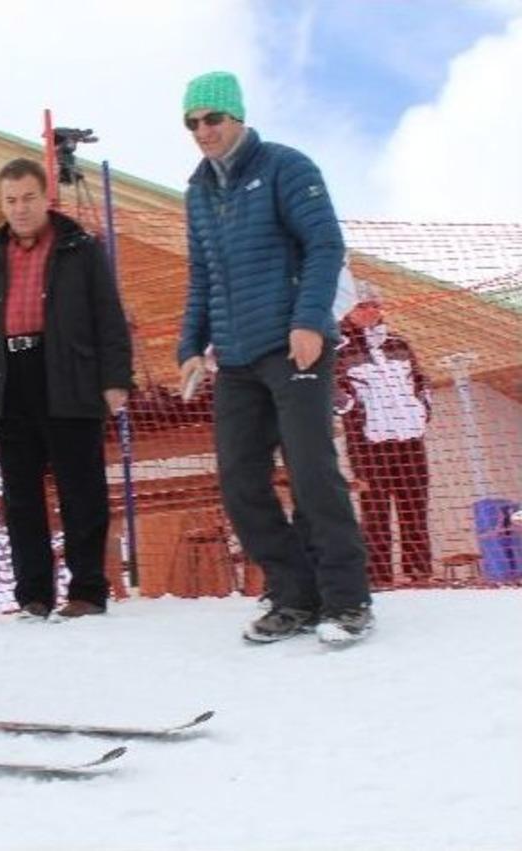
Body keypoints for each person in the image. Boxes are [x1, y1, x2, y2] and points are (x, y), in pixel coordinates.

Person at [175, 70, 373, 644]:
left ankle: (347, 598)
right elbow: (201, 275)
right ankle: (294, 596)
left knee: (312, 473)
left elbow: (325, 245)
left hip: (293, 346)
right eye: (192, 123)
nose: (203, 131)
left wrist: (310, 320)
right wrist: (191, 346)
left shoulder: (287, 166)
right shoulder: (199, 190)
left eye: (212, 118)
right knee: (240, 481)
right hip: (235, 358)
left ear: (237, 115)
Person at [0, 157, 134, 621]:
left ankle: (88, 591)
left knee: (82, 489)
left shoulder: (81, 249)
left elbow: (109, 318)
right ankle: (32, 595)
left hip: (67, 378)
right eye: (10, 200)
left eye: (28, 198)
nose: (19, 208)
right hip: (7, 382)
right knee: (20, 497)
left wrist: (115, 380)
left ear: (45, 196)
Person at [335, 283, 433, 587]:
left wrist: (422, 409)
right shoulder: (336, 347)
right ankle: (379, 577)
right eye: (363, 306)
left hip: (409, 439)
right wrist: (350, 407)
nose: (371, 311)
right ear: (348, 310)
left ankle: (419, 573)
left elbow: (420, 379)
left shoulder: (398, 343)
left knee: (414, 506)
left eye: (375, 306)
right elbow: (327, 387)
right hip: (368, 444)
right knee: (375, 510)